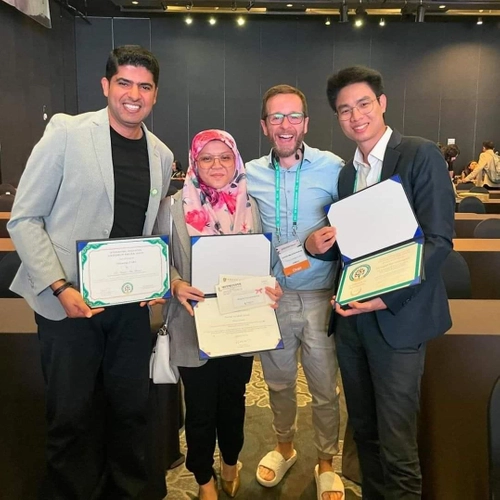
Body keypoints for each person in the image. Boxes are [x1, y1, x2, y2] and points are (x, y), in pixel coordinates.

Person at [7, 45, 173, 499]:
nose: (134, 95)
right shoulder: (67, 132)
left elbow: (152, 230)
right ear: (105, 86)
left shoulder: (161, 155)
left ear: (155, 94)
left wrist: (159, 279)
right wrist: (60, 286)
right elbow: (25, 219)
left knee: (130, 410)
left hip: (129, 307)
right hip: (68, 304)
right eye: (124, 83)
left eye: (144, 86)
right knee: (71, 415)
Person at [306, 65, 454, 499]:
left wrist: (385, 298)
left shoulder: (419, 155)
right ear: (338, 117)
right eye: (345, 109)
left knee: (397, 443)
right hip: (353, 322)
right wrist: (318, 246)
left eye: (364, 104)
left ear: (382, 103)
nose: (356, 116)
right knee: (364, 434)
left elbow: (438, 241)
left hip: (397, 319)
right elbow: (355, 247)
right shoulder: (346, 174)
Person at [156, 129, 282, 500]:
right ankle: (203, 478)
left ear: (236, 161)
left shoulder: (251, 205)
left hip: (240, 324)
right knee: (199, 410)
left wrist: (271, 284)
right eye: (206, 158)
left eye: (224, 157)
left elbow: (267, 258)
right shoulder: (171, 208)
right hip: (192, 324)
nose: (216, 165)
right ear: (194, 162)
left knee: (232, 402)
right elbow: (158, 257)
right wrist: (175, 283)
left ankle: (230, 460)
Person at [246, 84, 345, 500]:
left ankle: (326, 459)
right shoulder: (248, 173)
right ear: (264, 125)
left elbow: (352, 226)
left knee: (324, 388)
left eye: (293, 117)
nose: (284, 125)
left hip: (321, 296)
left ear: (305, 123)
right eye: (276, 117)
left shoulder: (333, 167)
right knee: (279, 383)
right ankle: (284, 446)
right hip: (274, 298)